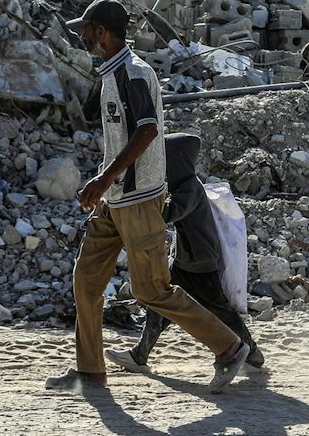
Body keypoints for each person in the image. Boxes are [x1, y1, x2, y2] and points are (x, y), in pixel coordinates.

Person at [46, 0, 253, 394]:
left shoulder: (135, 74)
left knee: (151, 290)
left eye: (86, 30)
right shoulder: (110, 74)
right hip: (115, 200)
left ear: (102, 32)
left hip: (138, 200)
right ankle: (90, 371)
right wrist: (106, 184)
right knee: (86, 280)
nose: (82, 36)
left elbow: (147, 131)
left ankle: (228, 348)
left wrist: (104, 179)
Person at [106, 131, 266, 390]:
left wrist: (142, 196)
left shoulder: (191, 188)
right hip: (184, 261)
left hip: (201, 264)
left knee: (221, 311)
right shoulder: (184, 187)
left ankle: (253, 355)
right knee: (159, 305)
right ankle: (140, 355)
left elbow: (167, 213)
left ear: (177, 162)